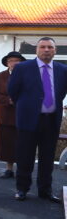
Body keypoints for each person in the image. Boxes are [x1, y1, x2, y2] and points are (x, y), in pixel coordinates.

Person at [8, 37, 67, 203]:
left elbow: (62, 92)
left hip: (51, 120)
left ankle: (45, 190)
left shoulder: (63, 70)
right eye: (43, 47)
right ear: (37, 50)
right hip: (28, 119)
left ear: (55, 51)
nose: (46, 50)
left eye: (50, 47)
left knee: (47, 158)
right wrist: (28, 105)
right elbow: (13, 91)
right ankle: (22, 189)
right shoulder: (23, 68)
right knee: (25, 156)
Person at [0, 51, 25, 179]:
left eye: (17, 61)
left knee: (23, 144)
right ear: (7, 63)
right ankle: (9, 169)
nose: (14, 63)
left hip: (24, 115)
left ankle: (22, 170)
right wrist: (8, 100)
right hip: (6, 115)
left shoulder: (27, 75)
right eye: (11, 61)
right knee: (7, 144)